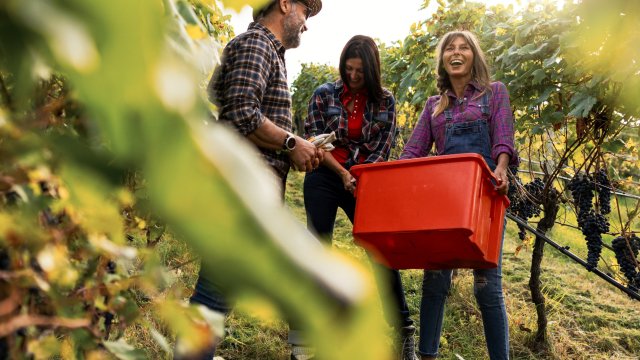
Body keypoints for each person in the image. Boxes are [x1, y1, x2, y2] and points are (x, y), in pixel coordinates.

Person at [175, 1, 323, 359]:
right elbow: (242, 113)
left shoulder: (268, 51)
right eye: (307, 12)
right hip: (240, 193)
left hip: (247, 191)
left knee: (216, 293)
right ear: (285, 4)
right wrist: (291, 142)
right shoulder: (256, 44)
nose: (306, 24)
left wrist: (296, 147)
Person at [400, 30, 518, 360]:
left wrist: (502, 166)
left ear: (473, 57)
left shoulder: (494, 94)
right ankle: (427, 355)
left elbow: (503, 137)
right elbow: (414, 149)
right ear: (443, 60)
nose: (455, 52)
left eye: (463, 47)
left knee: (487, 286)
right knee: (435, 279)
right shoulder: (434, 106)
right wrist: (390, 176)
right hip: (445, 202)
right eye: (449, 48)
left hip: (484, 198)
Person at [303, 35, 418, 360]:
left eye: (359, 71)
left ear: (371, 70)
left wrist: (361, 178)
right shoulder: (323, 94)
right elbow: (314, 143)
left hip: (364, 179)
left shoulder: (385, 101)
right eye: (348, 69)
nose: (353, 76)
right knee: (318, 247)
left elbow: (381, 149)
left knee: (379, 250)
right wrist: (343, 174)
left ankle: (402, 329)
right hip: (325, 173)